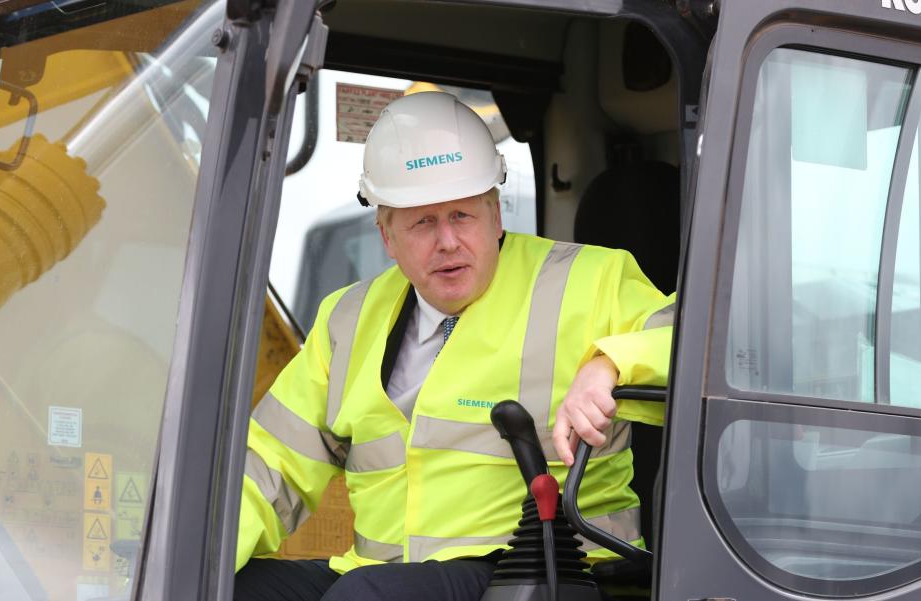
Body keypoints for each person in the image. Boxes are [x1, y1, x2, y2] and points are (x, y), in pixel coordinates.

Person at [234, 91, 674, 601]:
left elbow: (696, 342)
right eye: (422, 221)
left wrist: (610, 364)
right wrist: (191, 553)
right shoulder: (347, 319)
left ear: (495, 213)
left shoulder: (590, 279)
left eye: (462, 216)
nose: (447, 241)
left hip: (542, 572)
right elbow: (272, 466)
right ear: (386, 236)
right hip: (385, 575)